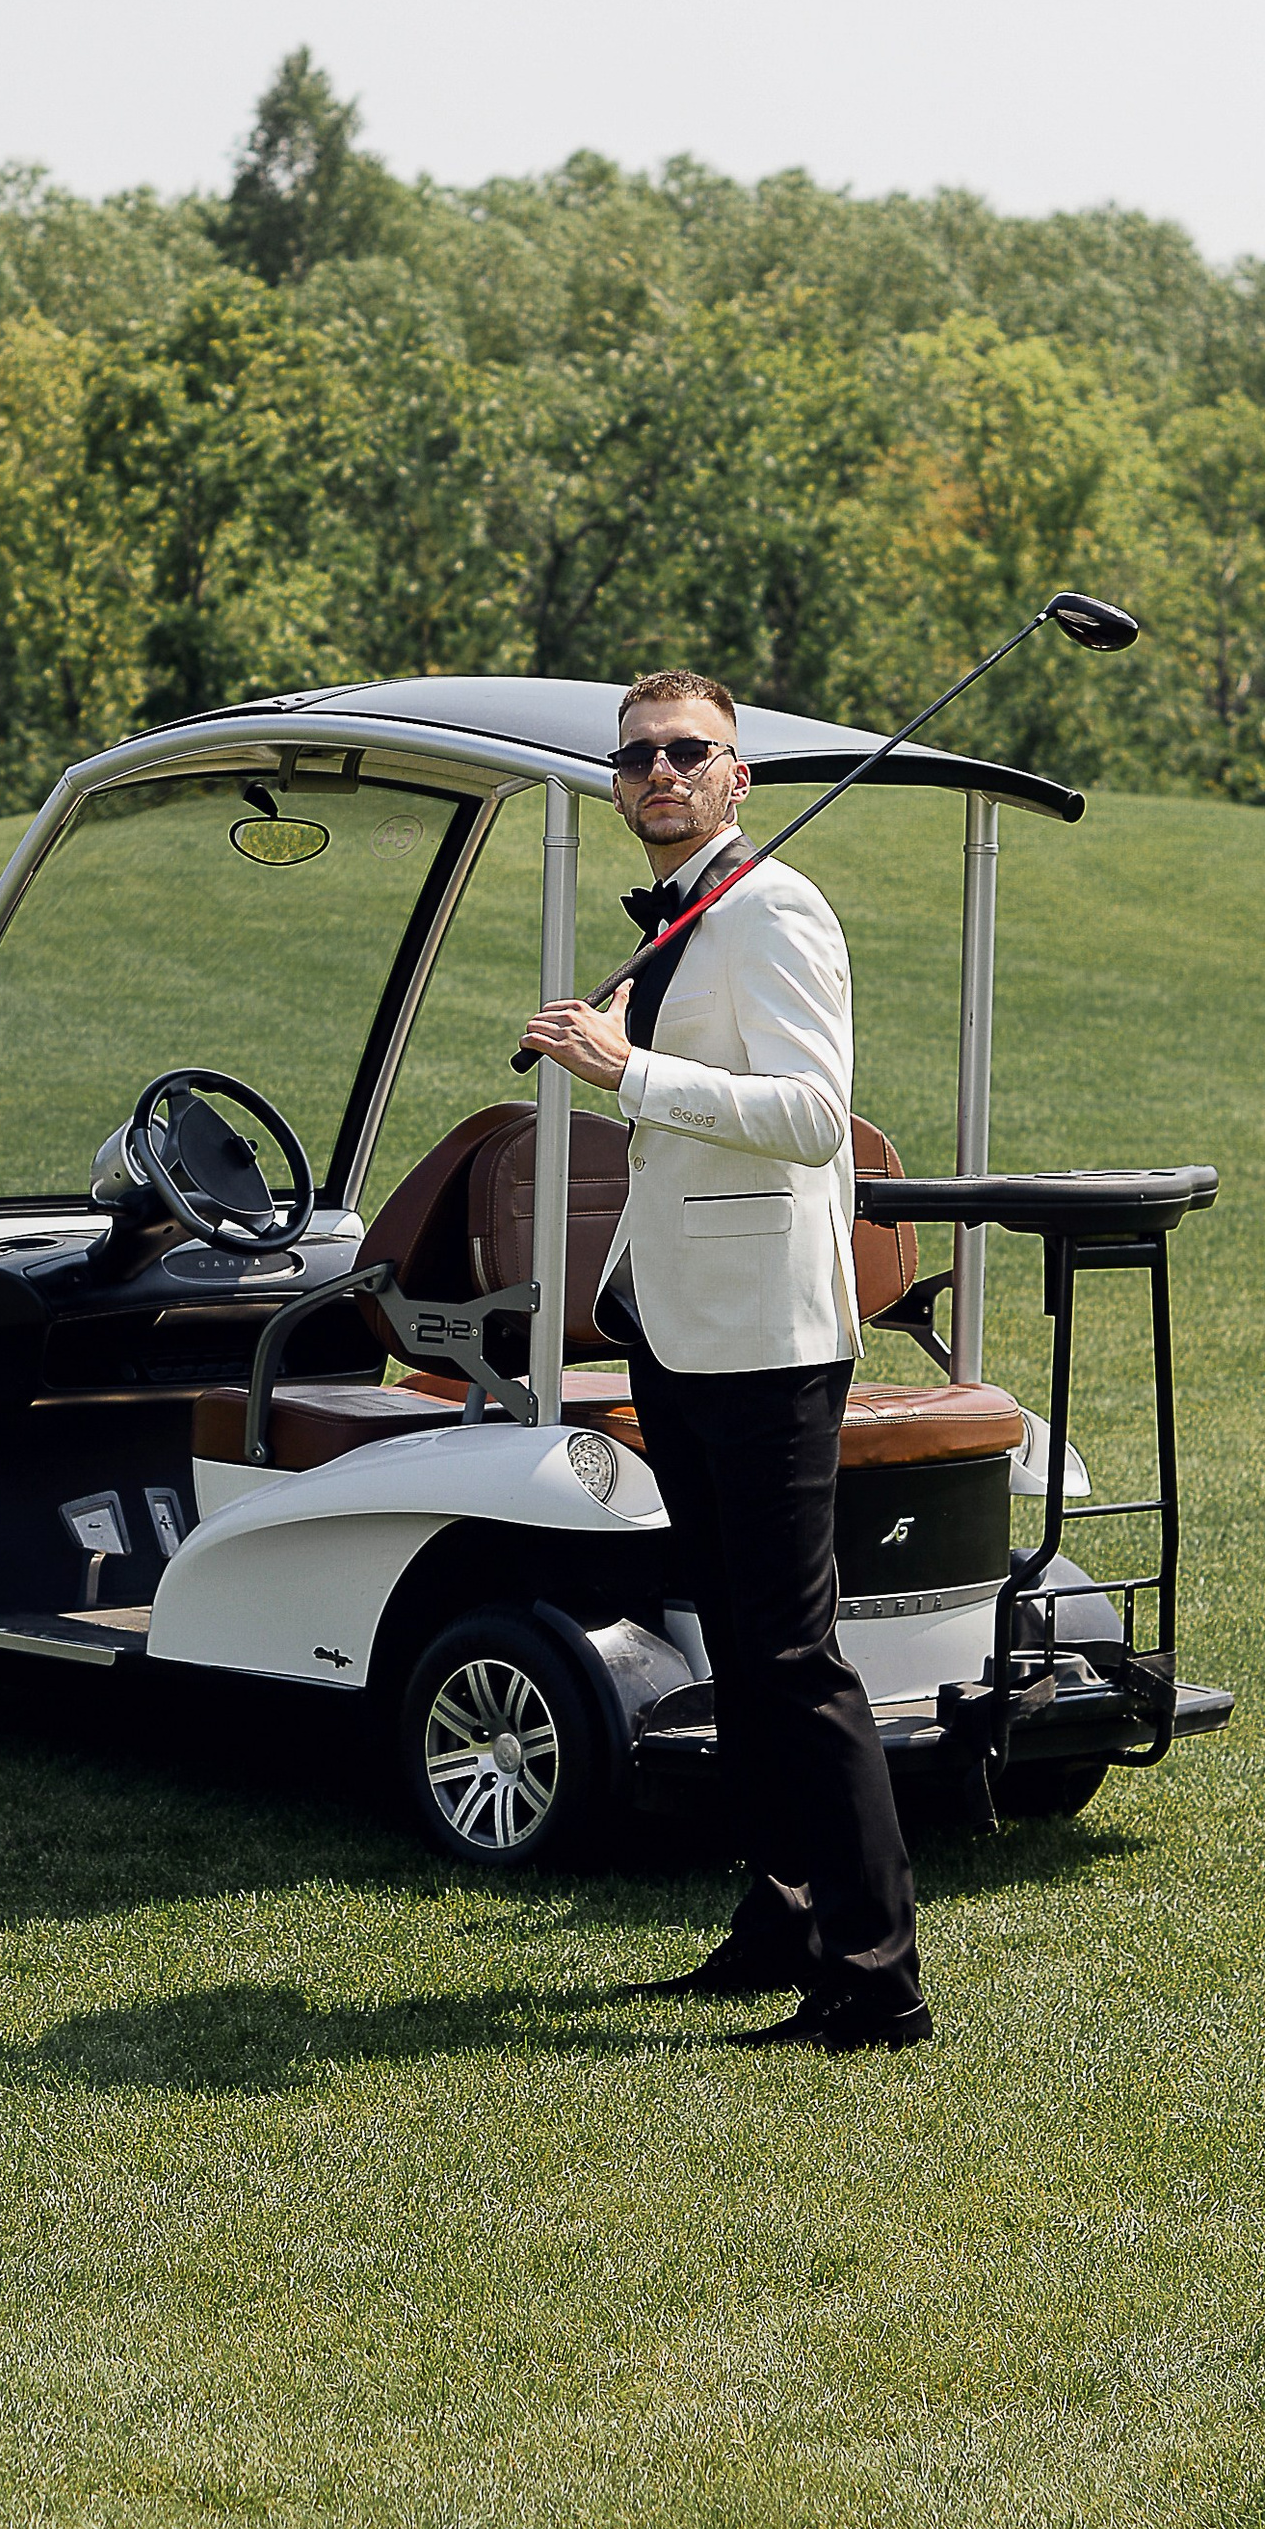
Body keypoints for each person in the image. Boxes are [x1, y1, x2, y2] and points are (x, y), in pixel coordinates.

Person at [519, 666, 930, 2053]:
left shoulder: (774, 910)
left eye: (689, 753)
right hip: (687, 1334)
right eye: (636, 758)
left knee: (795, 1657)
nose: (660, 774)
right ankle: (782, 1922)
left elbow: (817, 1119)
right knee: (746, 1658)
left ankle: (876, 1981)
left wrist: (622, 1073)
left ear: (739, 776)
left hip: (768, 1344)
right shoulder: (685, 919)